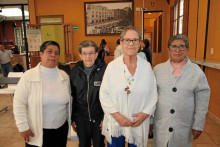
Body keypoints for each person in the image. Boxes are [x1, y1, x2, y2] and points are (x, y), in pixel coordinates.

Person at [100, 26, 158, 147]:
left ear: (140, 43)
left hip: (138, 122)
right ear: (121, 42)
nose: (131, 44)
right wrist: (117, 117)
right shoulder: (112, 67)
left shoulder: (146, 67)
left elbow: (153, 94)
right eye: (127, 40)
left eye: (135, 40)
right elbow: (104, 94)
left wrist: (145, 115)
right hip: (116, 122)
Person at [153, 34, 210, 147]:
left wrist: (198, 125)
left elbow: (202, 102)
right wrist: (150, 121)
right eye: (174, 46)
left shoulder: (196, 72)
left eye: (181, 46)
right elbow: (150, 98)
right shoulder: (158, 70)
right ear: (169, 50)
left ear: (187, 49)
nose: (177, 50)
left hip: (184, 125)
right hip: (161, 123)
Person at [13, 41, 72, 147]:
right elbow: (19, 103)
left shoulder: (64, 76)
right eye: (49, 51)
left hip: (60, 131)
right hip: (36, 131)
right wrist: (23, 127)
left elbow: (69, 104)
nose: (53, 55)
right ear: (41, 54)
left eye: (57, 53)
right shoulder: (28, 76)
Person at [70, 40, 106, 147]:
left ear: (96, 54)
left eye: (91, 53)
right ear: (80, 55)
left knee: (99, 144)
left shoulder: (105, 70)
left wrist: (105, 118)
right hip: (81, 119)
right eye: (84, 53)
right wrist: (73, 118)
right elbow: (73, 97)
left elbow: (110, 97)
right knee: (83, 144)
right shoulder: (75, 72)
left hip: (99, 119)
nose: (88, 57)